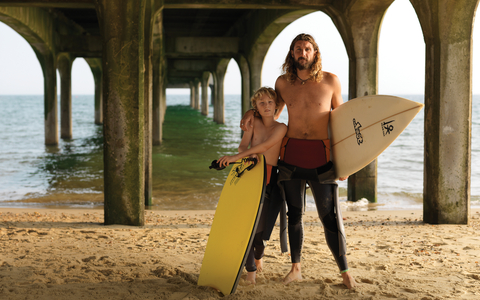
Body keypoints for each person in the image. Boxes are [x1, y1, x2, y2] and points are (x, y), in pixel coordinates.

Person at [240, 33, 356, 289]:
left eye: (307, 49)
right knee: (294, 215)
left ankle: (345, 270)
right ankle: (296, 268)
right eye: (297, 49)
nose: (302, 53)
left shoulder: (331, 81)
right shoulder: (283, 83)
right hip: (291, 156)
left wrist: (345, 160)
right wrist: (251, 110)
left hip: (321, 157)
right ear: (292, 54)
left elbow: (343, 122)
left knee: (330, 216)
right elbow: (269, 110)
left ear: (315, 53)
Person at [217, 87, 287, 285]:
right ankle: (251, 271)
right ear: (255, 106)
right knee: (247, 226)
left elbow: (264, 147)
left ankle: (258, 255)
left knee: (262, 233)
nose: (266, 106)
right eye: (261, 103)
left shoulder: (282, 127)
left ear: (276, 106)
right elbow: (243, 145)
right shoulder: (253, 123)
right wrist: (247, 154)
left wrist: (236, 158)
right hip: (251, 174)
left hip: (271, 177)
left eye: (270, 102)